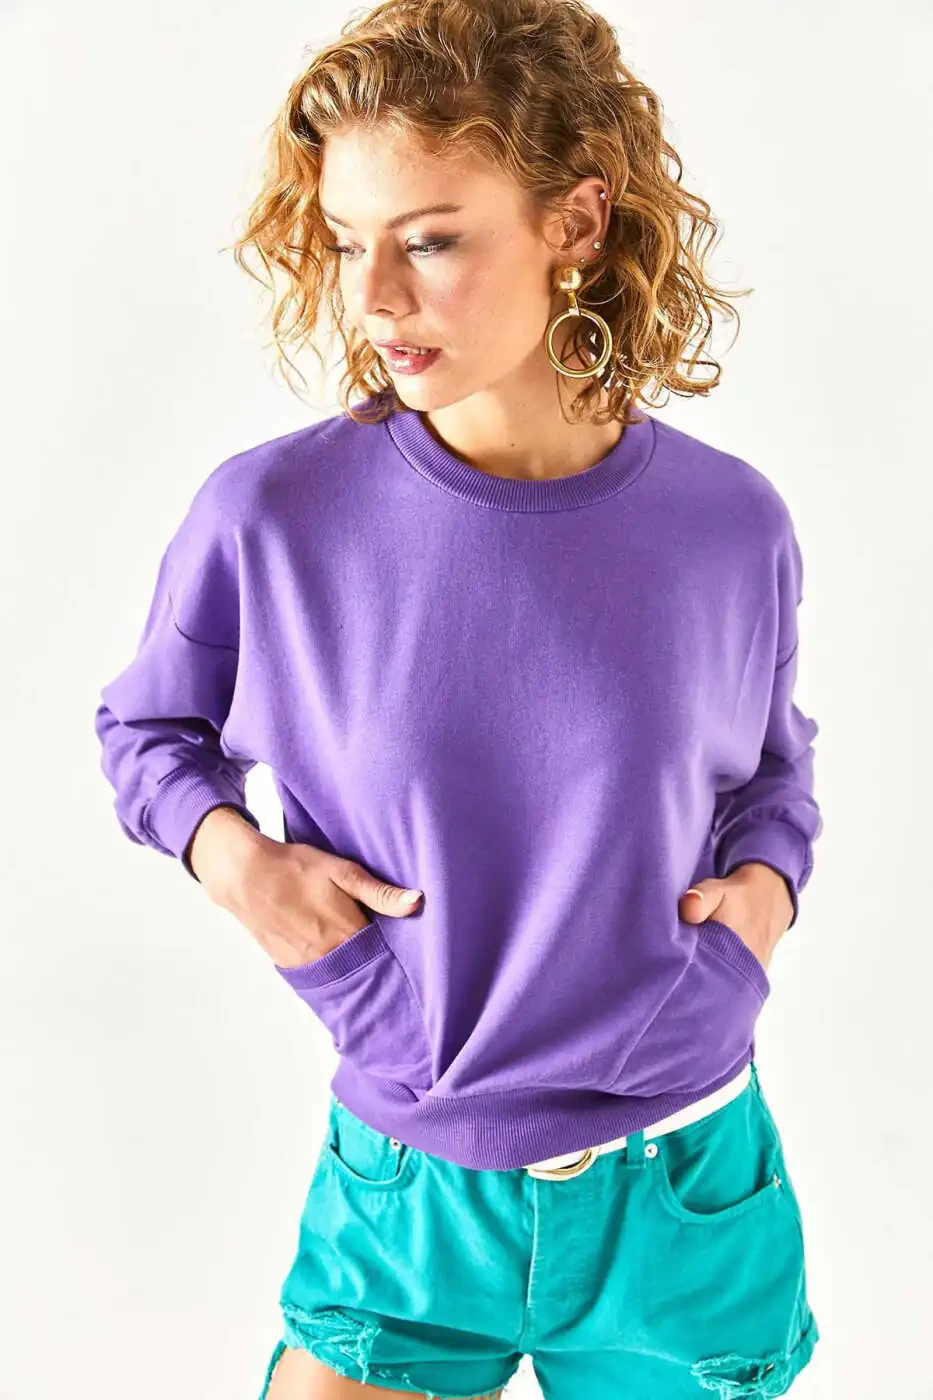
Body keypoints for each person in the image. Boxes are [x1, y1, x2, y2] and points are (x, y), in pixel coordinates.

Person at [94, 0, 824, 1395]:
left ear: (577, 223)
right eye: (345, 241)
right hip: (407, 1196)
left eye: (429, 240)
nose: (372, 298)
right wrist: (240, 868)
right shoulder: (273, 517)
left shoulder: (731, 526)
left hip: (682, 1194)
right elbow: (148, 729)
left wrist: (765, 905)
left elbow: (769, 768)